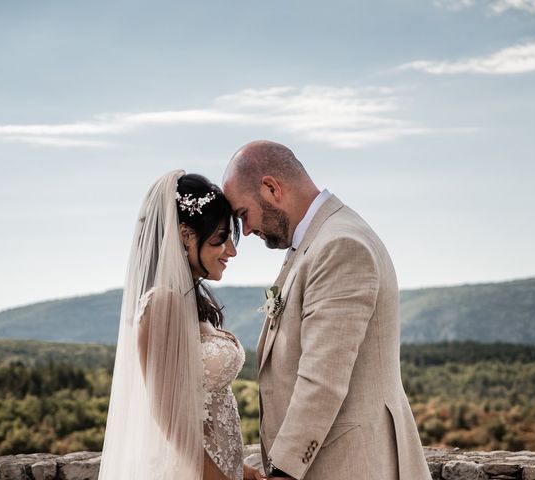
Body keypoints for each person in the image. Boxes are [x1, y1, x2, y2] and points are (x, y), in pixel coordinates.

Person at [223, 141, 432, 480]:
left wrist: (285, 471)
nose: (245, 230)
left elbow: (323, 376)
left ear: (271, 188)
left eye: (243, 214)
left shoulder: (339, 245)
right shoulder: (316, 241)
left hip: (351, 466)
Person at [98, 170, 264, 480]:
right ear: (186, 235)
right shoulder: (161, 303)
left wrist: (238, 469)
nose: (232, 250)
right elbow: (169, 419)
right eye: (220, 238)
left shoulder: (191, 301)